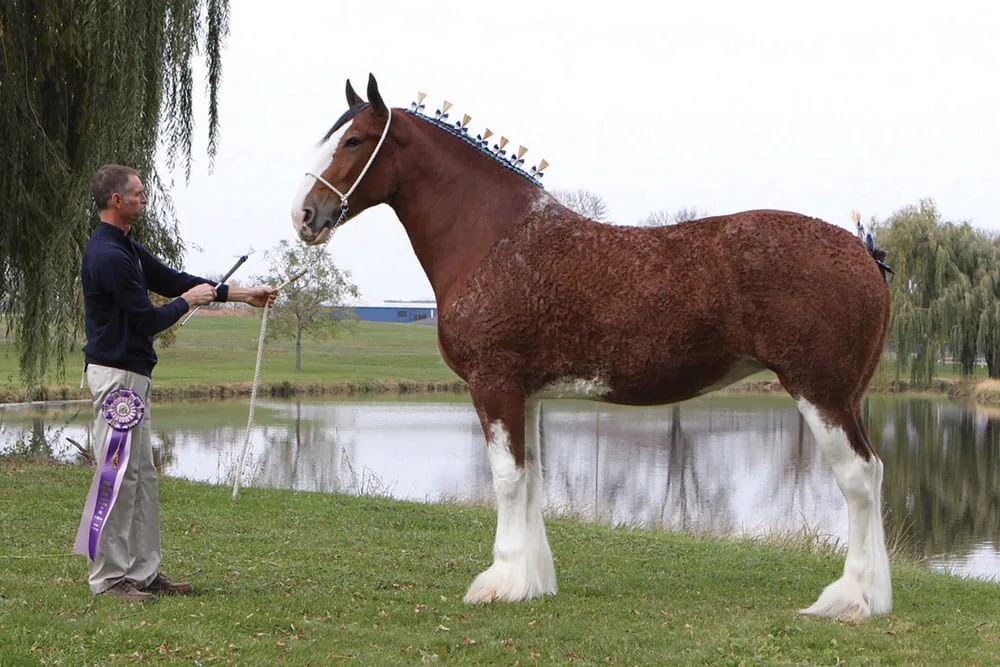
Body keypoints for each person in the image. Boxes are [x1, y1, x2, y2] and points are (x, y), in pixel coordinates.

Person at [74, 164, 277, 602]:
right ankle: (109, 579)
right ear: (117, 201)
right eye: (139, 193)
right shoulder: (107, 255)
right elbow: (148, 319)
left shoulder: (126, 247)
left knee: (142, 477)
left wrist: (243, 294)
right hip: (117, 381)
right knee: (116, 477)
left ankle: (144, 573)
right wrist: (186, 303)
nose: (145, 199)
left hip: (134, 378)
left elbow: (173, 280)